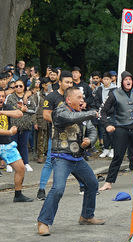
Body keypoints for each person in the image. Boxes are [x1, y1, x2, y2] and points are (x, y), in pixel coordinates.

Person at [37, 87, 105, 236]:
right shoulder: (60, 111)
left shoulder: (82, 114)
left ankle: (86, 216)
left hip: (77, 157)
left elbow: (92, 130)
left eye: (83, 98)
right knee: (58, 188)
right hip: (61, 157)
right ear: (69, 100)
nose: (82, 100)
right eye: (79, 97)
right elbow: (71, 118)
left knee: (92, 184)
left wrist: (90, 140)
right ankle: (43, 222)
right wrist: (91, 113)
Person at [36, 71, 86, 200]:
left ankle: (83, 186)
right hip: (57, 136)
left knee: (77, 159)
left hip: (75, 135)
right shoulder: (52, 97)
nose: (69, 84)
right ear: (60, 83)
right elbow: (46, 115)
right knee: (49, 162)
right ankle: (41, 189)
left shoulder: (74, 96)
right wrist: (62, 121)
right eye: (67, 82)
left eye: (71, 82)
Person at [5, 80, 35, 172]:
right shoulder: (10, 97)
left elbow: (34, 110)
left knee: (24, 145)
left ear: (24, 87)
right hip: (14, 125)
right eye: (16, 86)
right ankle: (9, 164)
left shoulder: (29, 97)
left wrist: (26, 110)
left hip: (25, 125)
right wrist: (18, 109)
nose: (18, 88)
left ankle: (25, 163)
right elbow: (7, 109)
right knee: (12, 145)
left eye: (20, 86)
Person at [94, 72, 115, 159]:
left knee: (111, 132)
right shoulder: (99, 89)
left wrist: (108, 110)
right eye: (104, 79)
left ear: (111, 80)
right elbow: (96, 100)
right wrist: (101, 109)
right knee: (104, 132)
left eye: (107, 79)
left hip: (112, 114)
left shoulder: (114, 89)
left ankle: (113, 149)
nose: (106, 81)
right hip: (102, 113)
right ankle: (106, 149)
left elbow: (115, 102)